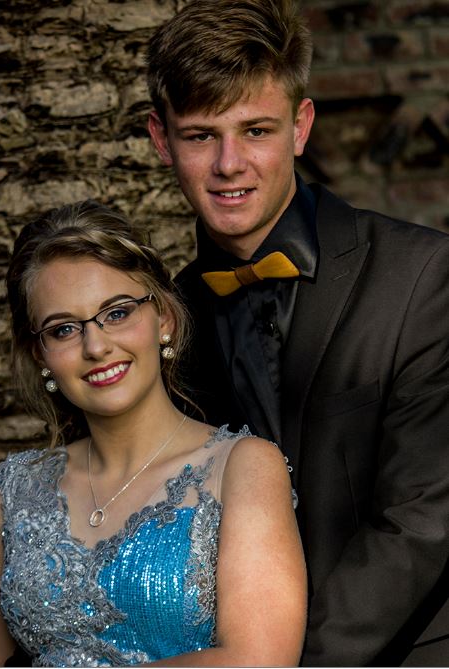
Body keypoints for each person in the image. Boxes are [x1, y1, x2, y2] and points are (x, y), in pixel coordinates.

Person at [146, 0, 449, 666]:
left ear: (300, 126)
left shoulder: (423, 275)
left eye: (255, 130)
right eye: (200, 136)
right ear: (161, 140)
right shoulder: (162, 321)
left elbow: (424, 519)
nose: (229, 163)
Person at [0, 200, 306, 667]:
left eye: (117, 313)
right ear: (40, 354)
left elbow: (259, 660)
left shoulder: (242, 466)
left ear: (163, 318)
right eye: (63, 329)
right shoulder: (14, 490)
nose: (96, 346)